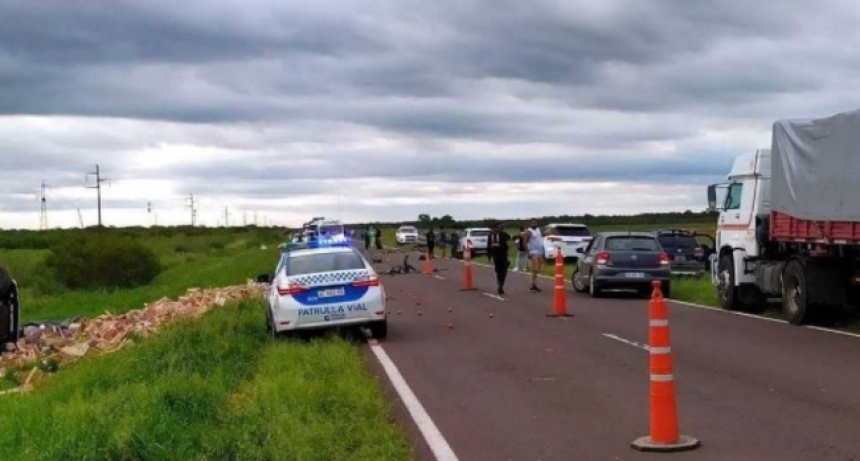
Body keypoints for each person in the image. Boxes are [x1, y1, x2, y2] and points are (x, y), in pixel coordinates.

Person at [487, 223, 511, 295]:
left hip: (496, 256)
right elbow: (509, 238)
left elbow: (488, 246)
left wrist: (489, 256)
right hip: (502, 255)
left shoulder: (491, 235)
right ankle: (500, 285)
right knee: (503, 271)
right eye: (500, 227)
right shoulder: (502, 234)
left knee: (499, 271)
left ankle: (500, 285)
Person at [523, 219, 544, 292]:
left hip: (540, 252)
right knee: (534, 268)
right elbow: (524, 242)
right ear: (530, 224)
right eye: (532, 223)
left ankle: (534, 283)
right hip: (533, 252)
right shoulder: (528, 232)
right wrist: (528, 252)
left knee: (538, 269)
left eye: (535, 222)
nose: (534, 224)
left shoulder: (538, 230)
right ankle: (532, 285)